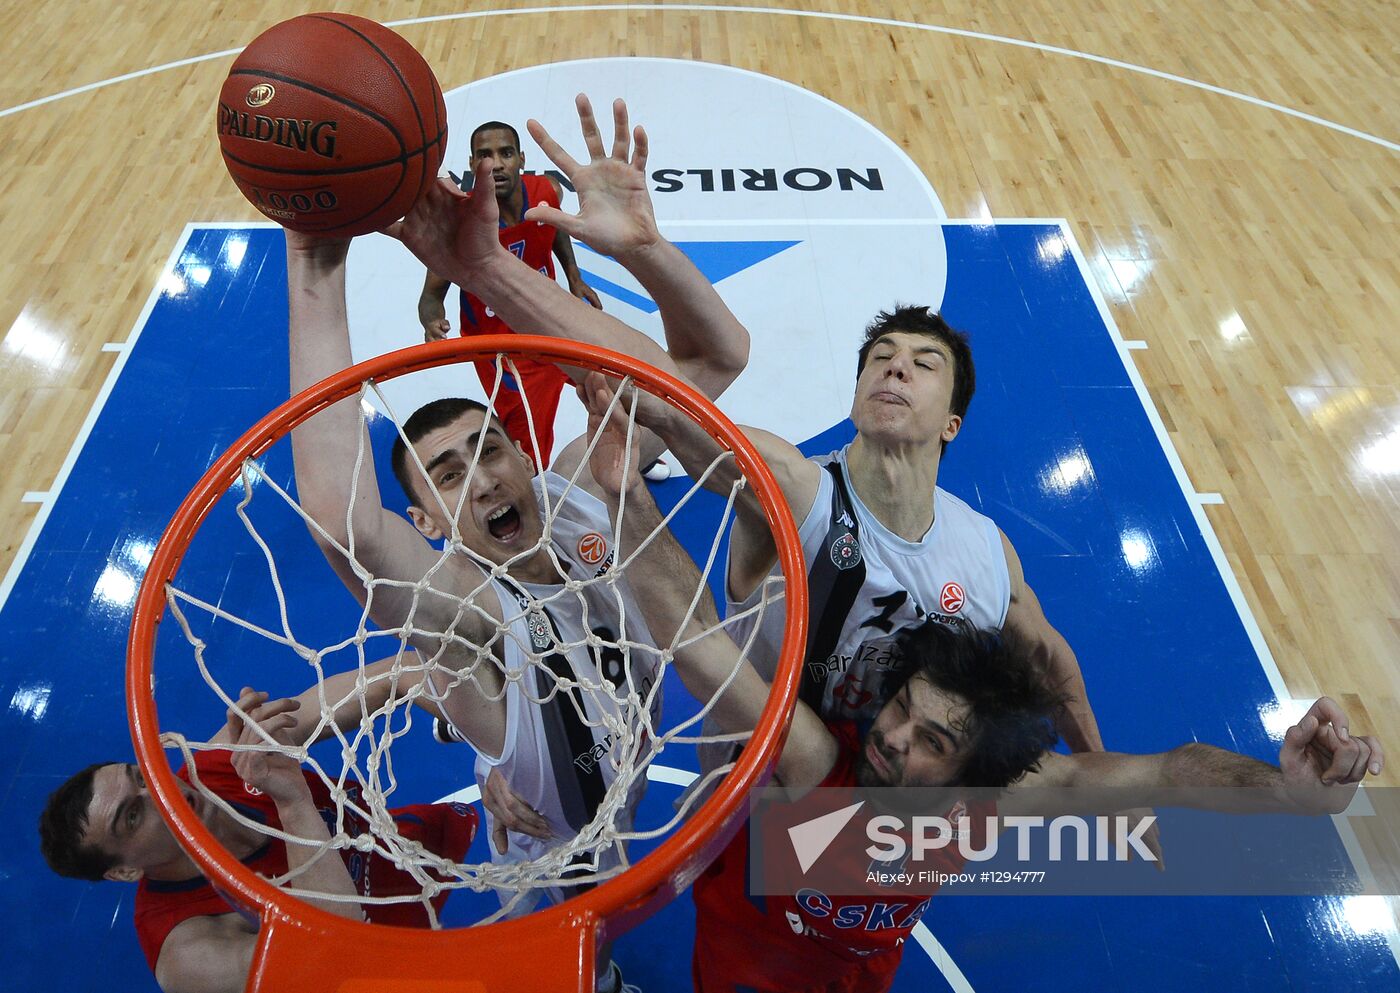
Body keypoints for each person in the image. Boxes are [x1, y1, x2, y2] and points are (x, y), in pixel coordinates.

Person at [574, 377, 1384, 992]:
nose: (893, 736)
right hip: (740, 962)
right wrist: (626, 500)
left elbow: (1169, 770)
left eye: (933, 740)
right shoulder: (822, 769)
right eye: (901, 708)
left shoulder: (990, 801)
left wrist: (1287, 790)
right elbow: (705, 646)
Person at [290, 95, 749, 993]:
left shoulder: (576, 490)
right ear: (426, 522)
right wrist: (316, 263)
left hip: (634, 748)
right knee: (586, 920)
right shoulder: (466, 617)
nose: (487, 476)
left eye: (488, 447)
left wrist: (644, 252)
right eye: (448, 474)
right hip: (556, 834)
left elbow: (716, 360)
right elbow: (344, 524)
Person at [38, 659, 477, 993]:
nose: (160, 793)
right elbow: (340, 954)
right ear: (124, 871)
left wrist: (487, 731)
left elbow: (392, 675)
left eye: (142, 776)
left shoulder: (221, 760)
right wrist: (293, 802)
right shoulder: (186, 952)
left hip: (401, 854)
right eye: (133, 816)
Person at [417, 119, 602, 468]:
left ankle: (629, 451)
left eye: (505, 153)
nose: (497, 163)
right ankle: (535, 508)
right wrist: (432, 321)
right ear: (472, 165)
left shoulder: (547, 192)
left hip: (553, 322)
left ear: (521, 158)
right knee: (527, 448)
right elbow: (430, 296)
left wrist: (574, 277)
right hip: (503, 351)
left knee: (610, 389)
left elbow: (555, 229)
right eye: (485, 155)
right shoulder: (460, 224)